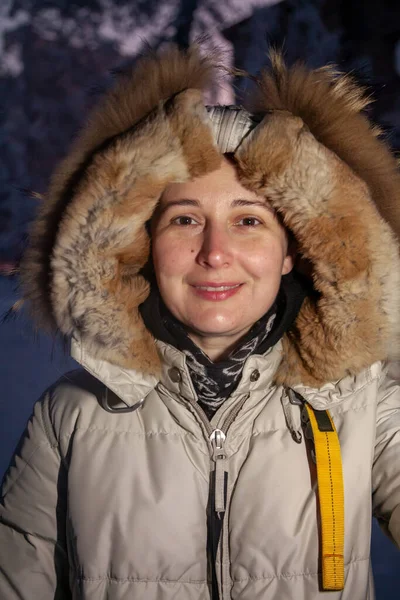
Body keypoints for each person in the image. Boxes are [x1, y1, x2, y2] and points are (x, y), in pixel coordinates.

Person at [0, 44, 400, 600]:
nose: (215, 253)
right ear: (143, 243)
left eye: (248, 221)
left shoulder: (367, 405)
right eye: (185, 219)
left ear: (293, 252)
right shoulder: (69, 419)